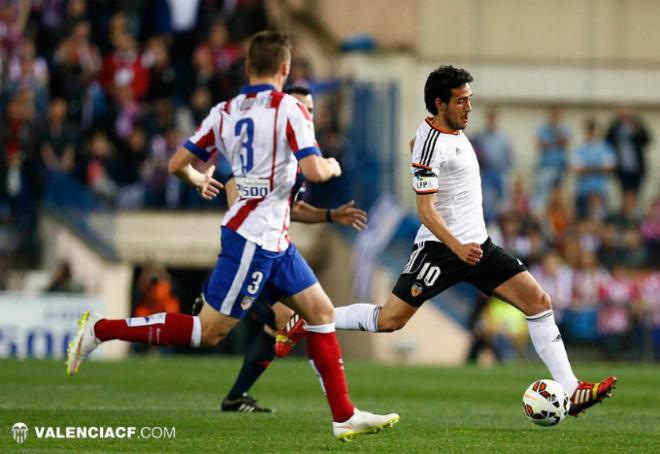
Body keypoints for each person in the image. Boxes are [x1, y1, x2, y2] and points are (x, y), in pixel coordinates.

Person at [65, 31, 398, 442]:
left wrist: (198, 177)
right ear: (285, 69)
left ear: (247, 68)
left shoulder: (225, 110)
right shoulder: (289, 110)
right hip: (252, 241)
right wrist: (331, 164)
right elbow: (314, 172)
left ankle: (344, 415)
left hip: (276, 241)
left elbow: (176, 164)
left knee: (321, 312)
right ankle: (101, 329)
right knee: (208, 331)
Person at [277, 65, 616, 417]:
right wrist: (455, 245)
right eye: (461, 101)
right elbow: (425, 210)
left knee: (538, 301)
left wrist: (421, 157)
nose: (469, 107)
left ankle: (573, 390)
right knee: (390, 320)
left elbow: (419, 144)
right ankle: (312, 319)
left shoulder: (442, 130)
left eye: (470, 99)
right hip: (440, 250)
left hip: (477, 246)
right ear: (440, 103)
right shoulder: (432, 143)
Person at [217, 85, 368, 413]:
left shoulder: (296, 158)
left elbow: (294, 208)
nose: (307, 116)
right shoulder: (265, 149)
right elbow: (233, 185)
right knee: (212, 330)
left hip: (274, 250)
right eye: (301, 108)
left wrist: (330, 215)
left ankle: (235, 397)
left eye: (311, 110)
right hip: (249, 251)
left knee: (285, 320)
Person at [605, 106, 651, 210]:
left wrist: (637, 129)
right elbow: (607, 141)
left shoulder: (636, 125)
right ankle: (626, 215)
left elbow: (647, 140)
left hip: (636, 167)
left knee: (635, 192)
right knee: (624, 192)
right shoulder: (615, 127)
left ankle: (632, 214)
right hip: (622, 167)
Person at [571, 119, 616, 219]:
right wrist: (599, 168)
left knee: (601, 220)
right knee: (583, 221)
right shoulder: (579, 149)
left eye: (593, 130)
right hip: (583, 192)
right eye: (589, 131)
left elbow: (609, 169)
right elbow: (578, 170)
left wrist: (587, 168)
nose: (591, 133)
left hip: (601, 192)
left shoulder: (606, 148)